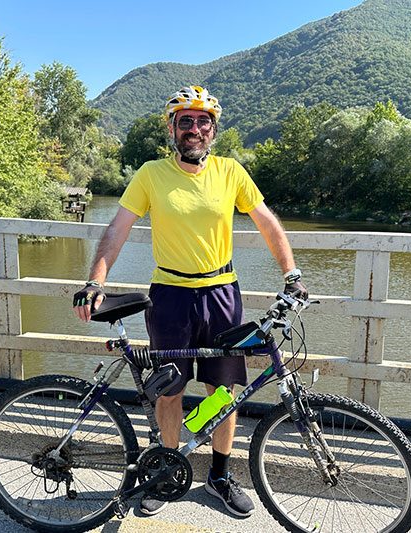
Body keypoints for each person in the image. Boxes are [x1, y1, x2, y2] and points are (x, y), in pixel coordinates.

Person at [73, 85, 307, 518]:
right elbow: (117, 229)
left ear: (213, 130)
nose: (194, 129)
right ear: (172, 129)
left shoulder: (230, 171)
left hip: (222, 293)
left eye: (203, 122)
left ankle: (219, 475)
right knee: (170, 390)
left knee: (223, 391)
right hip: (171, 296)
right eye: (186, 122)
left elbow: (267, 222)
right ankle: (166, 472)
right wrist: (95, 281)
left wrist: (291, 275)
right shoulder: (151, 174)